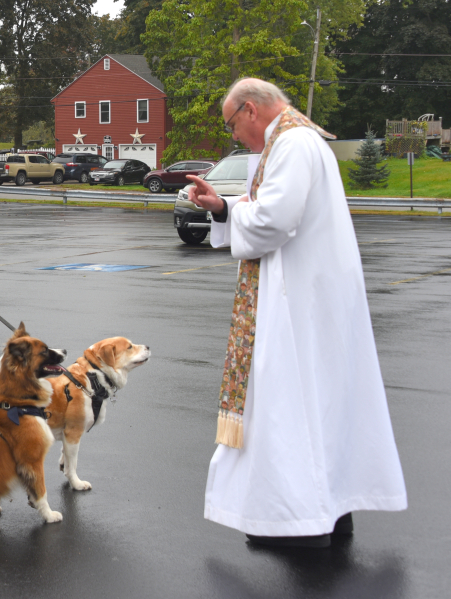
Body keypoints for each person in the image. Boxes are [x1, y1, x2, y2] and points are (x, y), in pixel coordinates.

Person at [188, 78, 407, 548]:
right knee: (321, 406)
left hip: (296, 304)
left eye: (231, 125)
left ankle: (298, 523)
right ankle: (329, 513)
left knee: (289, 408)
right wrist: (223, 207)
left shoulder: (291, 142)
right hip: (309, 298)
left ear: (250, 110)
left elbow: (272, 221)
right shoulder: (301, 141)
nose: (234, 136)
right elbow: (269, 211)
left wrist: (235, 212)